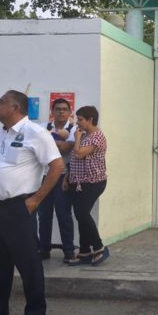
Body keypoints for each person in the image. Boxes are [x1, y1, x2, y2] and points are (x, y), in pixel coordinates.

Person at [0, 90, 64, 315]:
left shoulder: (36, 133)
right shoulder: (2, 134)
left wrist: (36, 199)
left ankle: (35, 312)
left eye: (1, 102)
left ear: (15, 108)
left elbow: (56, 166)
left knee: (28, 263)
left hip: (18, 208)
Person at [64, 105, 109, 266]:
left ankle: (99, 247)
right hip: (78, 182)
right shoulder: (85, 135)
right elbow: (75, 161)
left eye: (81, 119)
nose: (78, 122)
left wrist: (76, 138)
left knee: (82, 214)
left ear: (90, 119)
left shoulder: (97, 136)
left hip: (93, 182)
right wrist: (68, 177)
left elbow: (79, 154)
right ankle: (84, 252)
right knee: (80, 216)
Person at [37, 98, 76, 263]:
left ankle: (69, 251)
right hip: (44, 176)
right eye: (58, 109)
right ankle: (44, 249)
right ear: (52, 112)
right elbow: (39, 147)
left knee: (63, 215)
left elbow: (67, 148)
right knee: (44, 215)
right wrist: (60, 142)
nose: (61, 112)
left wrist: (49, 142)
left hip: (63, 177)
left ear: (69, 112)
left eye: (64, 109)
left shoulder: (74, 129)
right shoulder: (42, 127)